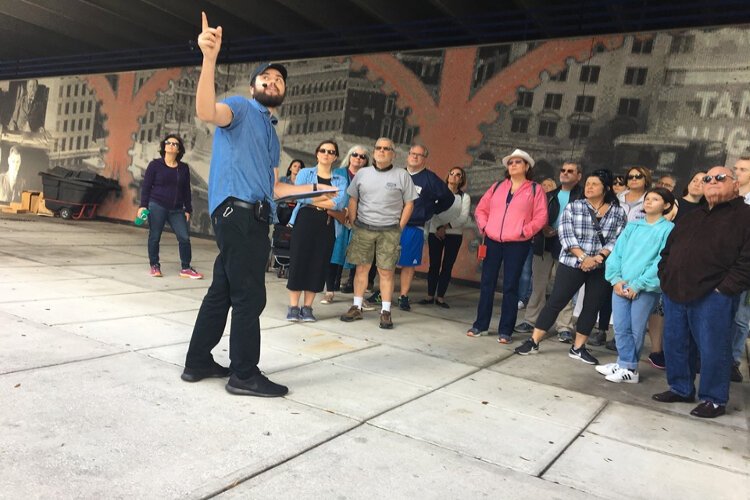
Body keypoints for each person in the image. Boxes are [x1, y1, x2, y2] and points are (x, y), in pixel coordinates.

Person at [183, 13, 329, 397]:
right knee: (251, 295)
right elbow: (206, 111)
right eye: (266, 77)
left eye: (280, 79)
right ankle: (244, 374)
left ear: (283, 92)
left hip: (249, 215)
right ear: (253, 87)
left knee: (223, 291)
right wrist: (209, 58)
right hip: (239, 214)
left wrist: (313, 192)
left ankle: (197, 361)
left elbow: (275, 188)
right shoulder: (241, 109)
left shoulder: (270, 134)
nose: (273, 81)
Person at [653, 166, 750, 418]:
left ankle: (714, 399)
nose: (712, 181)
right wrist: (666, 276)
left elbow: (747, 260)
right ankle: (681, 388)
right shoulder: (692, 215)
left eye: (720, 178)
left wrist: (724, 289)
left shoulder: (745, 216)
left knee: (712, 348)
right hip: (676, 290)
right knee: (675, 343)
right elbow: (668, 250)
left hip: (713, 295)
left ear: (735, 185)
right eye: (708, 178)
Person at [514, 169, 626, 364]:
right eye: (588, 184)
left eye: (594, 184)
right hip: (573, 263)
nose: (589, 187)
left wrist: (598, 257)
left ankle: (578, 347)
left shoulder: (617, 212)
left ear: (606, 188)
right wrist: (584, 258)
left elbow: (618, 239)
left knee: (591, 307)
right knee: (556, 301)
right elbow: (566, 235)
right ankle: (533, 341)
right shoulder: (574, 207)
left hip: (601, 266)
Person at [466, 149, 547, 343]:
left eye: (518, 162)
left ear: (526, 166)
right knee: (487, 283)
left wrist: (524, 232)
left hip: (517, 244)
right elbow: (481, 209)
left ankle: (505, 330)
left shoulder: (535, 189)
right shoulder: (497, 186)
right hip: (493, 240)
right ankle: (480, 325)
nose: (513, 165)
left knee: (510, 286)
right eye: (510, 163)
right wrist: (485, 227)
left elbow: (541, 217)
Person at [597, 187, 675, 383]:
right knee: (621, 326)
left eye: (655, 199)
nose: (648, 202)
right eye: (647, 199)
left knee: (635, 328)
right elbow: (617, 253)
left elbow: (660, 261)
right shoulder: (633, 226)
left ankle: (630, 369)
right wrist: (616, 279)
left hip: (645, 289)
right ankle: (623, 362)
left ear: (666, 205)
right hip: (621, 285)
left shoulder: (668, 229)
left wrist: (638, 284)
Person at [340, 137, 417, 329]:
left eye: (386, 149)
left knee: (386, 271)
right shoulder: (362, 174)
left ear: (394, 154)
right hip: (363, 228)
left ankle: (386, 311)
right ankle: (356, 307)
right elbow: (353, 199)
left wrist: (399, 226)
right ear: (374, 152)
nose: (382, 151)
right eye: (378, 148)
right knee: (361, 269)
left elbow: (409, 204)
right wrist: (354, 221)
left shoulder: (402, 175)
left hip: (389, 230)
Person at [515, 161, 583, 343]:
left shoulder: (582, 197)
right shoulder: (549, 195)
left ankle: (564, 327)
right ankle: (531, 321)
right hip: (544, 244)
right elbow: (536, 216)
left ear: (579, 176)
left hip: (569, 248)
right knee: (538, 285)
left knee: (563, 289)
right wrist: (542, 227)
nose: (566, 173)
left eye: (570, 171)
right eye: (563, 170)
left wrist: (560, 231)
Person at [285, 140, 348, 321]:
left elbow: (339, 203)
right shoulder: (305, 173)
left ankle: (307, 308)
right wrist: (323, 197)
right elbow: (298, 197)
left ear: (335, 157)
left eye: (331, 152)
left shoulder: (340, 180)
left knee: (318, 263)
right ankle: (294, 307)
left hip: (326, 223)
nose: (326, 154)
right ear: (317, 153)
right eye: (323, 150)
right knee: (299, 261)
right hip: (305, 220)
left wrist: (313, 196)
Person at [396, 144, 454, 311]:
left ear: (424, 159)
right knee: (387, 262)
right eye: (412, 153)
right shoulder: (397, 174)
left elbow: (448, 199)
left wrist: (430, 210)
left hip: (414, 227)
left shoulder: (430, 179)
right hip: (391, 224)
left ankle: (403, 296)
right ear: (408, 155)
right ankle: (382, 293)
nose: (415, 157)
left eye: (419, 155)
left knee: (408, 263)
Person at [137, 134, 202, 279]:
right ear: (164, 147)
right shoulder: (154, 165)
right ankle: (154, 265)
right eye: (169, 143)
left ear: (179, 150)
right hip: (157, 205)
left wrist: (188, 209)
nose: (171, 145)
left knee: (184, 237)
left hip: (177, 209)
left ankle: (186, 268)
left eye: (175, 144)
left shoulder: (184, 168)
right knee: (154, 236)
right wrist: (143, 206)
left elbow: (186, 190)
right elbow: (146, 187)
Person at [322, 145, 371, 304]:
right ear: (349, 156)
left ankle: (358, 296)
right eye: (355, 154)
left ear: (366, 161)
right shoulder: (337, 173)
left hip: (359, 222)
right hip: (338, 219)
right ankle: (329, 291)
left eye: (362, 156)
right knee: (334, 255)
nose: (358, 158)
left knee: (359, 260)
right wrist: (341, 212)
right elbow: (329, 195)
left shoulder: (369, 177)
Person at [420, 166, 471, 308]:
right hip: (434, 233)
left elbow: (463, 218)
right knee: (434, 265)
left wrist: (446, 227)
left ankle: (440, 297)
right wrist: (437, 228)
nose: (454, 176)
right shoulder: (437, 194)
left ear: (461, 179)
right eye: (452, 173)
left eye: (458, 175)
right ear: (447, 176)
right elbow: (431, 212)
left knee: (447, 266)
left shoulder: (464, 197)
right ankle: (430, 295)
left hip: (454, 235)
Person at [729, 156, 750, 382]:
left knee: (741, 318)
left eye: (743, 169)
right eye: (735, 168)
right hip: (723, 267)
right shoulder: (729, 197)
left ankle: (733, 361)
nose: (737, 172)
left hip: (746, 270)